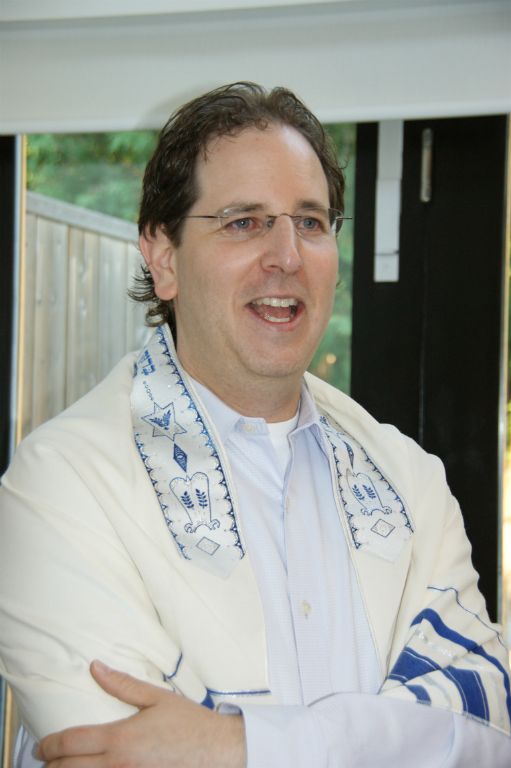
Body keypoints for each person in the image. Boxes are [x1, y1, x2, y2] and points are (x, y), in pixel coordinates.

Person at [1, 82, 510, 768]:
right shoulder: (58, 487)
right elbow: (113, 753)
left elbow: (488, 728)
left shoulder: (411, 483)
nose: (287, 256)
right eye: (244, 222)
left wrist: (237, 745)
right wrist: (390, 738)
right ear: (163, 257)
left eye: (311, 222)